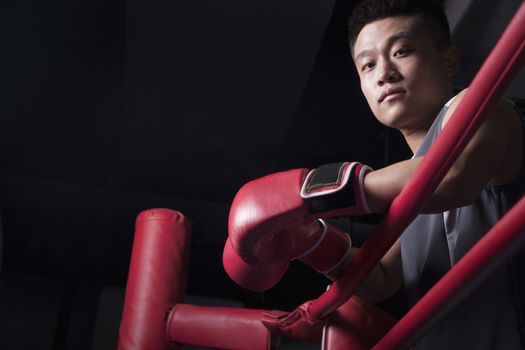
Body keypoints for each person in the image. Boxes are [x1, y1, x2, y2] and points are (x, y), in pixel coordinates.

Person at [224, 0, 525, 348]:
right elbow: (380, 277)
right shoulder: (411, 188)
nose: (384, 72)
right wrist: (309, 241)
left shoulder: (482, 108)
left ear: (449, 61)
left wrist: (312, 194)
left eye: (402, 51)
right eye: (368, 65)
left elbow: (452, 177)